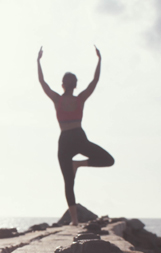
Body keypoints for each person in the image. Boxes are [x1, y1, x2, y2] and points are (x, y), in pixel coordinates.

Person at [38, 46, 114, 225]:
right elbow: (94, 81)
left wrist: (38, 62)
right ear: (75, 85)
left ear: (63, 84)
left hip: (65, 140)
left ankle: (74, 220)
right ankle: (79, 164)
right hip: (79, 138)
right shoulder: (80, 99)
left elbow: (42, 83)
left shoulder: (58, 99)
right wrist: (99, 61)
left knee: (68, 182)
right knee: (108, 160)